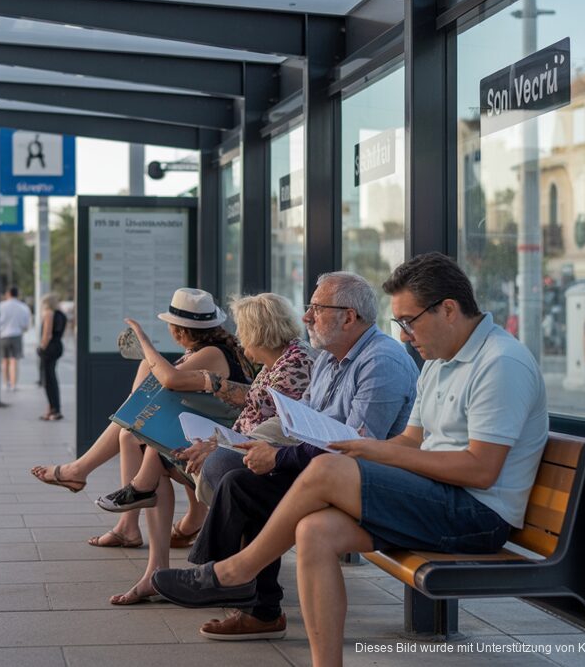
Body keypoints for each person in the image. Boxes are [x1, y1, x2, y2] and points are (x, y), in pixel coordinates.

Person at [152, 253, 549, 667]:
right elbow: (411, 441)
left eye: (409, 321)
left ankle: (234, 572)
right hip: (437, 496)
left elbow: (480, 470)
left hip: (477, 515)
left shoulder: (499, 362)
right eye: (400, 323)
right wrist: (362, 448)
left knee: (325, 467)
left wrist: (365, 451)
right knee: (314, 530)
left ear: (448, 309)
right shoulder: (439, 363)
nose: (406, 335)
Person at [164, 271, 418, 641]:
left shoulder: (381, 362)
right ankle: (240, 592)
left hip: (364, 484)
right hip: (328, 472)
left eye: (317, 309)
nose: (306, 317)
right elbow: (304, 423)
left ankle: (227, 584)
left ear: (349, 317)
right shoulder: (329, 359)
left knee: (248, 484)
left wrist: (279, 458)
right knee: (242, 480)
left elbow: (358, 446)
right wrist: (262, 448)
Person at [97, 293, 313, 606]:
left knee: (157, 452)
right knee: (156, 450)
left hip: (265, 462)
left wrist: (216, 438)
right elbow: (257, 410)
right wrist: (215, 436)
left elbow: (274, 423)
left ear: (257, 332)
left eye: (242, 330)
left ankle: (191, 567)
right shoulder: (282, 360)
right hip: (244, 447)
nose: (239, 338)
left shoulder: (293, 365)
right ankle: (156, 561)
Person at [29, 288, 248, 549]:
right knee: (134, 429)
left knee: (135, 437)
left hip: (217, 444)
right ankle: (123, 517)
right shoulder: (209, 351)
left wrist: (143, 342)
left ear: (178, 331)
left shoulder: (212, 353)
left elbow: (169, 380)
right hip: (207, 434)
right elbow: (153, 394)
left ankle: (114, 510)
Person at [38, 294, 68, 421]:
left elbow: (47, 334)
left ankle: (54, 410)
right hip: (57, 346)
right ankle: (53, 409)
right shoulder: (61, 315)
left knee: (48, 380)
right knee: (52, 378)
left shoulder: (49, 313)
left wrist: (41, 347)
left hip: (49, 348)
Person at [0, 286, 33, 391]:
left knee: (4, 360)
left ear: (8, 294)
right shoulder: (23, 307)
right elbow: (26, 324)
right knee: (14, 361)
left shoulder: (1, 306)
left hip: (3, 335)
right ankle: (14, 384)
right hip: (17, 335)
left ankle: (6, 383)